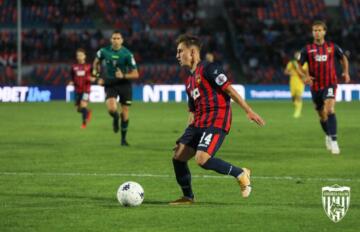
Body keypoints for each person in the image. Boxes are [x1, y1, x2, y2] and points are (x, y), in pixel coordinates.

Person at [170, 34, 265, 205]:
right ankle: (188, 197)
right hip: (198, 122)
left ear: (192, 52)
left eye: (180, 51)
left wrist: (248, 111)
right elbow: (192, 111)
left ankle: (240, 173)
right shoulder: (189, 81)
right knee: (178, 156)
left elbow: (229, 89)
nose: (177, 55)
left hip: (216, 120)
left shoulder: (209, 68)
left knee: (201, 159)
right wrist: (185, 136)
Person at [298, 20, 350, 154]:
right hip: (315, 86)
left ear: (324, 32)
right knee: (322, 115)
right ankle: (328, 134)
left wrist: (345, 72)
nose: (317, 32)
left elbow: (343, 58)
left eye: (320, 30)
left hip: (330, 83)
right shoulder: (307, 49)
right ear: (312, 32)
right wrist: (305, 76)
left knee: (330, 109)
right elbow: (299, 65)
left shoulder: (332, 47)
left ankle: (334, 141)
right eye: (315, 30)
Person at [92, 31, 139, 146]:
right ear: (111, 40)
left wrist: (123, 75)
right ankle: (115, 117)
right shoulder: (103, 51)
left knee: (125, 112)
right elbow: (96, 63)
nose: (116, 40)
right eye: (114, 38)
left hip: (124, 84)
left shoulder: (127, 54)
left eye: (118, 38)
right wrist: (97, 76)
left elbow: (136, 74)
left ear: (122, 40)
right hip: (110, 83)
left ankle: (123, 139)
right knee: (112, 109)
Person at [69, 48, 93, 129]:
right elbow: (72, 76)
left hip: (86, 90)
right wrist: (71, 81)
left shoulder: (89, 66)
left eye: (81, 55)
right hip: (77, 90)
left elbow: (94, 75)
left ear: (84, 56)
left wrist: (93, 78)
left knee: (83, 105)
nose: (79, 57)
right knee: (78, 109)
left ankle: (84, 124)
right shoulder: (73, 67)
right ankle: (88, 112)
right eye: (78, 55)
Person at [284, 51, 308, 118]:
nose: (297, 56)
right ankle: (297, 108)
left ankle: (297, 112)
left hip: (300, 81)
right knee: (293, 97)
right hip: (292, 82)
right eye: (296, 55)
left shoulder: (304, 63)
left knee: (299, 96)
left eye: (298, 55)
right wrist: (290, 73)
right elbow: (285, 71)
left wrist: (304, 76)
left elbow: (306, 72)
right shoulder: (291, 63)